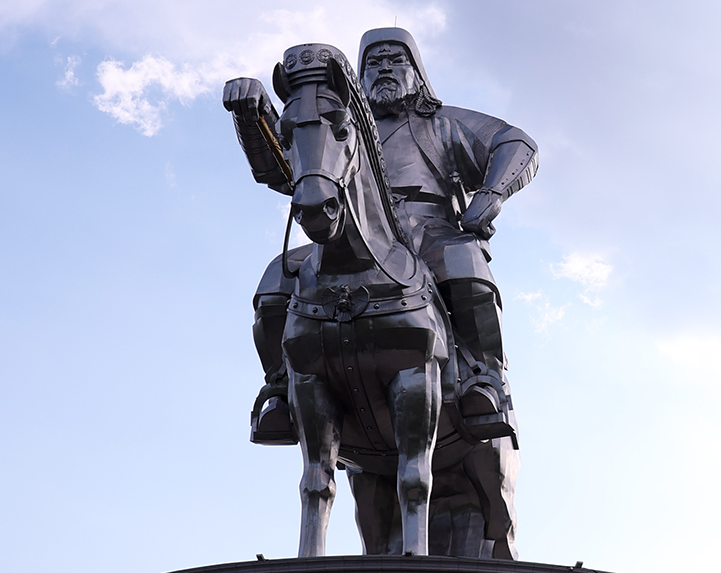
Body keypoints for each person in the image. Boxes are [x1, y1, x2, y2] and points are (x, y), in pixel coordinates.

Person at [224, 27, 538, 446]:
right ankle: (280, 388)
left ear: (417, 71)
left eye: (396, 59)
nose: (384, 68)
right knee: (277, 276)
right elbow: (281, 168)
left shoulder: (443, 124)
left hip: (429, 231)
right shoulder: (339, 125)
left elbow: (515, 142)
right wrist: (249, 117)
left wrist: (492, 194)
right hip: (352, 233)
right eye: (373, 62)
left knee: (464, 259)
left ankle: (484, 379)